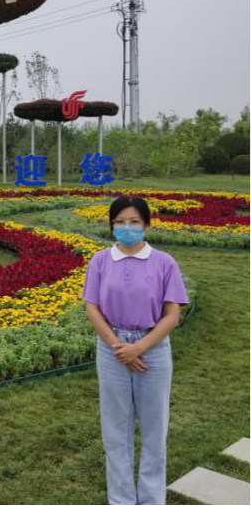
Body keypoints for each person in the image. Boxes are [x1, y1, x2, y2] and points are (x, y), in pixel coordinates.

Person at [81, 195, 190, 505]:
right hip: (111, 350)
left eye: (133, 222)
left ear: (147, 225)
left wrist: (139, 347)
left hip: (152, 350)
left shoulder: (164, 262)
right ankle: (122, 498)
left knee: (155, 428)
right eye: (119, 222)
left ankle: (152, 498)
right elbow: (92, 308)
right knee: (116, 429)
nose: (126, 227)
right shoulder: (101, 261)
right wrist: (118, 347)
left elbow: (172, 315)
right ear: (111, 225)